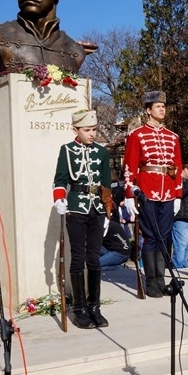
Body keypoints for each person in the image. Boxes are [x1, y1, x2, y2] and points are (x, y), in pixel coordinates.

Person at [53, 108, 111, 329]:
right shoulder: (66, 151)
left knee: (94, 258)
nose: (92, 133)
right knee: (78, 258)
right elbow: (60, 179)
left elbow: (106, 185)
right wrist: (59, 199)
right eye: (87, 130)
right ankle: (79, 309)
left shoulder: (102, 152)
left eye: (94, 129)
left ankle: (94, 307)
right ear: (75, 129)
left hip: (97, 208)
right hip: (76, 208)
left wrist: (108, 212)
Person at [123, 91, 183, 297]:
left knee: (164, 237)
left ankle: (161, 279)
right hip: (147, 191)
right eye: (157, 106)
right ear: (148, 110)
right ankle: (151, 283)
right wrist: (129, 194)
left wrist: (177, 194)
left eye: (163, 106)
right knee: (151, 237)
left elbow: (177, 167)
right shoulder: (137, 135)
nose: (162, 109)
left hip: (168, 193)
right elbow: (130, 166)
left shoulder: (173, 136)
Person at [172, 164, 188, 268]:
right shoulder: (179, 180)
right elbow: (182, 192)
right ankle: (178, 265)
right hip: (181, 217)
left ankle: (183, 264)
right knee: (181, 243)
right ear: (185, 169)